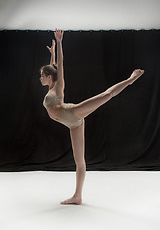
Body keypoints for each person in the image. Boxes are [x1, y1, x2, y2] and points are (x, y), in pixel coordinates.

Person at [39, 29, 144, 205]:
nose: (40, 78)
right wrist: (52, 54)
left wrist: (60, 43)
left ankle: (130, 79)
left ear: (49, 77)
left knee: (106, 95)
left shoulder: (58, 87)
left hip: (72, 113)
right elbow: (55, 68)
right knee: (79, 161)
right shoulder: (52, 85)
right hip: (72, 125)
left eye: (42, 76)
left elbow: (60, 67)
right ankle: (77, 196)